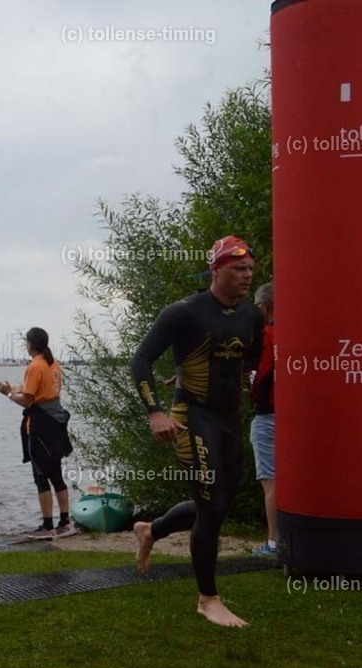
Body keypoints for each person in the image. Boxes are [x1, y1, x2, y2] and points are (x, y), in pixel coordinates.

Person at [130, 235, 264, 628]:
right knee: (210, 507)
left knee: (219, 505)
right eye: (239, 269)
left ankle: (150, 529)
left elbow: (247, 361)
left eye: (251, 270)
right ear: (216, 269)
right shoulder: (183, 312)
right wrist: (155, 412)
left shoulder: (252, 317)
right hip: (191, 418)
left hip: (228, 419)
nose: (246, 276)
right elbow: (140, 359)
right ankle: (208, 600)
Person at [0, 327, 75, 540]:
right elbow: (41, 391)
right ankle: (66, 522)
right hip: (56, 423)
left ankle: (47, 526)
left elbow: (28, 400)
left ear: (30, 344)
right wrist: (16, 388)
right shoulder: (53, 363)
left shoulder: (34, 366)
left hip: (40, 426)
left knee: (41, 475)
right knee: (56, 474)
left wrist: (8, 393)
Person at [249, 282, 276, 557]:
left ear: (264, 307)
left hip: (268, 414)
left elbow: (258, 373)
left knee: (271, 481)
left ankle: (274, 542)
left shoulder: (265, 335)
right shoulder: (294, 331)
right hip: (293, 417)